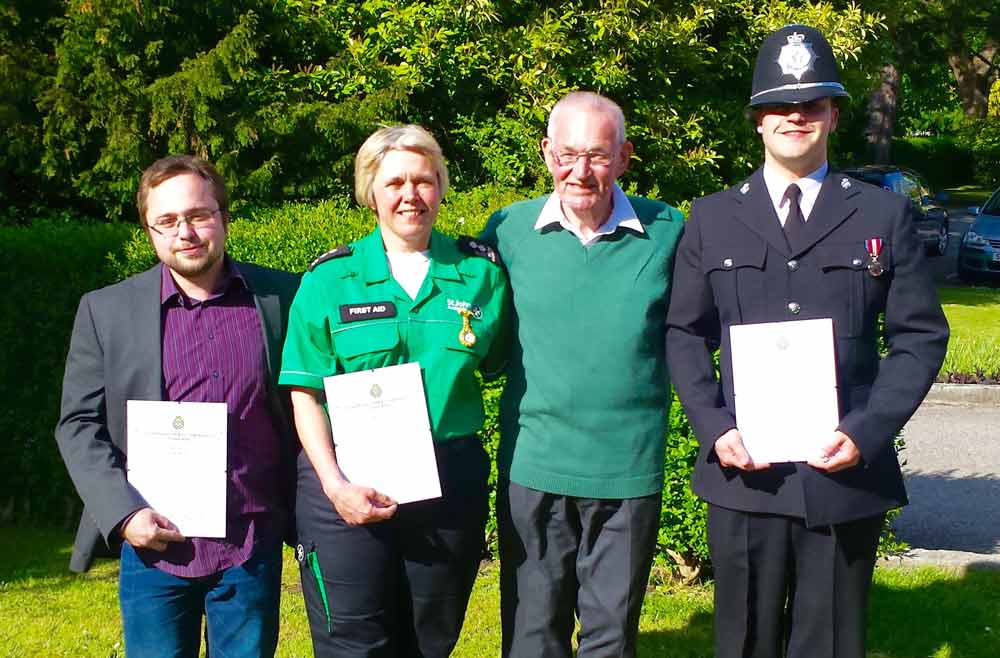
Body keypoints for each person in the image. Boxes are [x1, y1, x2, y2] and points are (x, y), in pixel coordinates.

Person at [665, 24, 949, 658]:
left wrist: (867, 431)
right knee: (743, 642)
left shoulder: (882, 214)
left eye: (811, 103)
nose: (795, 115)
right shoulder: (711, 218)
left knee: (831, 644)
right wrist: (713, 427)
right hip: (746, 472)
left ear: (834, 114)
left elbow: (920, 336)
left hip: (844, 473)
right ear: (758, 121)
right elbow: (684, 332)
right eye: (778, 105)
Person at [278, 124, 511, 657]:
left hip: (448, 480)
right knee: (353, 643)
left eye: (424, 181)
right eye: (395, 183)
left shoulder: (480, 274)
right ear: (371, 192)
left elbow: (502, 364)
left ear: (441, 186)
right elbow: (305, 392)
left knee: (432, 638)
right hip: (345, 480)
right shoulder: (329, 280)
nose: (411, 195)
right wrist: (335, 485)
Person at [55, 155, 300, 657]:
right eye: (166, 221)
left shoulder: (282, 297)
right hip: (153, 544)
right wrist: (124, 516)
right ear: (149, 229)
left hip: (251, 540)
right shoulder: (106, 311)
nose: (184, 231)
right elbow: (79, 425)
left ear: (224, 217)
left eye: (198, 215)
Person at [479, 91, 685, 658]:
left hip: (626, 470)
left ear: (624, 157)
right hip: (534, 465)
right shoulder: (508, 231)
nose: (581, 170)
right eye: (568, 153)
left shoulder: (669, 231)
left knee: (611, 635)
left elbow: (700, 333)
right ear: (547, 154)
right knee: (531, 633)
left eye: (598, 154)